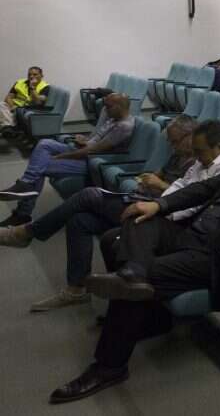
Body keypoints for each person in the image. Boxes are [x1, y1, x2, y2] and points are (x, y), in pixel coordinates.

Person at [50, 123, 220, 404]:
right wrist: (159, 206)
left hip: (215, 258)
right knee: (139, 218)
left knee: (136, 281)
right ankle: (135, 278)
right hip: (191, 234)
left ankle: (109, 366)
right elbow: (200, 190)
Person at [0, 116, 202, 312]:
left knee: (89, 195)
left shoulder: (200, 163)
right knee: (80, 221)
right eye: (170, 141)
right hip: (139, 197)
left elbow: (186, 199)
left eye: (175, 141)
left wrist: (160, 185)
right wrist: (152, 178)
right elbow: (161, 172)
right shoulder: (179, 154)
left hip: (155, 213)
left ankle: (26, 232)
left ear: (191, 135)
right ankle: (76, 289)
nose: (172, 146)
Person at [0, 94, 136, 226]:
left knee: (41, 166)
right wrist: (86, 139)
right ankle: (26, 184)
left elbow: (93, 151)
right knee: (44, 143)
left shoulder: (124, 126)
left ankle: (22, 213)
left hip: (92, 161)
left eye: (108, 106)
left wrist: (60, 157)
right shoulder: (113, 118)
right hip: (86, 150)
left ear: (119, 106)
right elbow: (96, 140)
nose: (105, 109)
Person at [1, 66, 50, 136]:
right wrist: (12, 107)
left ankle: (11, 128)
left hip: (30, 108)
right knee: (2, 104)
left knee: (19, 114)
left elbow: (38, 102)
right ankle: (8, 127)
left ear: (41, 76)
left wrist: (32, 87)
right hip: (16, 106)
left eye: (35, 74)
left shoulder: (45, 87)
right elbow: (8, 97)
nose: (31, 76)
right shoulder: (19, 82)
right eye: (29, 74)